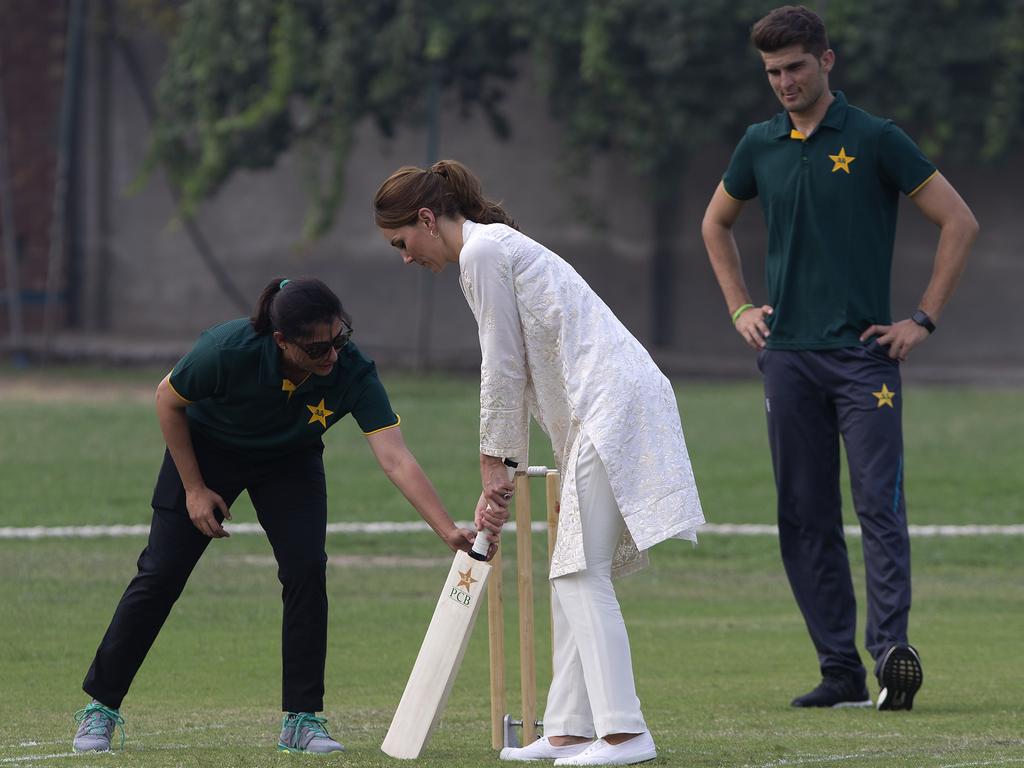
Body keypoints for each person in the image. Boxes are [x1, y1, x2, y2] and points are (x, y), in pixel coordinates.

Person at [71, 277, 495, 754]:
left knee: (306, 570)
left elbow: (395, 457)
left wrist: (445, 529)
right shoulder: (226, 349)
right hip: (207, 452)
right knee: (161, 574)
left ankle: (302, 719)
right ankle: (100, 708)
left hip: (290, 461)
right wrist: (193, 489)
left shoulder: (351, 370)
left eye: (340, 339)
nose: (332, 356)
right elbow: (167, 399)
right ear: (281, 341)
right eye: (317, 350)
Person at [374, 160, 704, 766]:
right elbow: (521, 364)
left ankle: (626, 735)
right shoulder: (491, 250)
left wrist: (493, 464)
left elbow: (500, 364)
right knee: (573, 568)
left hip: (612, 405)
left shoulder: (480, 254)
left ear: (426, 219)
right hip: (602, 407)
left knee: (579, 572)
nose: (404, 257)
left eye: (402, 242)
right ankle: (570, 730)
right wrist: (502, 463)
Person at [701, 5, 978, 711]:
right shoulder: (759, 144)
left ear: (827, 61)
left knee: (879, 508)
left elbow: (959, 220)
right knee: (803, 514)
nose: (784, 81)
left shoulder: (877, 138)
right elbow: (716, 223)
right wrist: (739, 306)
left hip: (864, 360)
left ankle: (890, 659)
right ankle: (839, 670)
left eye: (795, 66)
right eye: (772, 72)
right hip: (788, 359)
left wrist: (922, 319)